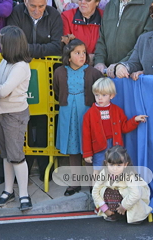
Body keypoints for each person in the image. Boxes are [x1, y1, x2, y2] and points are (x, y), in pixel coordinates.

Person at [7, 0, 63, 180]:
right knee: (21, 121)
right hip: (19, 77)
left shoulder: (53, 14)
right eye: (33, 6)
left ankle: (44, 165)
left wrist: (26, 51)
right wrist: (39, 51)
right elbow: (11, 43)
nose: (37, 10)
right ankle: (24, 165)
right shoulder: (16, 13)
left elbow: (56, 47)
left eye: (41, 6)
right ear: (25, 2)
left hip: (45, 78)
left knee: (43, 120)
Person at [0, 26, 33, 211]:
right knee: (6, 155)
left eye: (1, 41)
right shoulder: (5, 62)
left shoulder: (21, 66)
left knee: (16, 156)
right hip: (2, 112)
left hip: (15, 115)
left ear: (10, 45)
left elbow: (1, 89)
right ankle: (8, 191)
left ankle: (24, 194)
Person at [53, 38, 103, 196]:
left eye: (84, 53)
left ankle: (92, 182)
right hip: (68, 114)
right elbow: (56, 90)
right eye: (77, 53)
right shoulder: (60, 72)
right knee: (73, 148)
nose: (82, 56)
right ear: (68, 56)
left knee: (89, 148)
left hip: (86, 114)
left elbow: (101, 91)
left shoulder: (93, 72)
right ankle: (75, 183)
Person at [82, 77, 147, 179]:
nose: (100, 98)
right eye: (97, 95)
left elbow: (124, 127)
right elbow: (86, 135)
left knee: (116, 170)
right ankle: (96, 192)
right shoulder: (89, 114)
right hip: (99, 147)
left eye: (104, 95)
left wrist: (135, 120)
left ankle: (114, 192)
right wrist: (87, 153)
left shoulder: (117, 110)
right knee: (98, 170)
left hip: (115, 146)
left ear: (111, 96)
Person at [93, 0, 153, 78]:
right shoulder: (110, 5)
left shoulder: (149, 6)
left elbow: (144, 45)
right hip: (107, 74)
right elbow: (102, 38)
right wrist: (99, 62)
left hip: (131, 75)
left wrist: (122, 65)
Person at [92, 145, 152, 223]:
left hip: (134, 198)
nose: (115, 168)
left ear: (125, 165)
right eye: (111, 165)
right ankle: (115, 213)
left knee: (127, 192)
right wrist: (104, 208)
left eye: (119, 165)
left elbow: (136, 194)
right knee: (105, 190)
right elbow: (95, 191)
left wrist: (124, 206)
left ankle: (134, 214)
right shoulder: (104, 173)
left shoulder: (129, 174)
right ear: (106, 163)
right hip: (119, 197)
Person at [61, 0, 103, 65]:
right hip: (74, 67)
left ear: (97, 2)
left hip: (98, 66)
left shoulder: (105, 17)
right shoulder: (67, 16)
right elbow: (66, 48)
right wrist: (87, 58)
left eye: (88, 0)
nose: (83, 2)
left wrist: (97, 58)